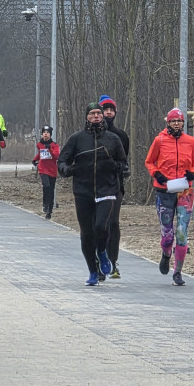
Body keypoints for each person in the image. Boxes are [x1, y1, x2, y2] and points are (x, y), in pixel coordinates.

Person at [58, 102, 128, 286]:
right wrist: (68, 169)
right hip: (83, 190)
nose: (96, 116)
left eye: (99, 113)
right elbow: (62, 161)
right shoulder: (77, 139)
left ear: (103, 116)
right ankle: (92, 271)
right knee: (87, 234)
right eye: (92, 114)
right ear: (87, 117)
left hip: (107, 189)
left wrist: (113, 166)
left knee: (101, 227)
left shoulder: (113, 139)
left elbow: (124, 165)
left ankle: (103, 252)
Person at [144, 108, 194, 287]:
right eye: (173, 121)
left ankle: (178, 272)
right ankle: (166, 253)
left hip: (184, 191)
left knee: (182, 232)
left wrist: (193, 173)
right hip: (164, 190)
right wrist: (157, 174)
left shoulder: (190, 142)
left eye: (179, 121)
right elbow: (149, 161)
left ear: (183, 123)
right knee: (168, 234)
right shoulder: (159, 140)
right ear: (168, 122)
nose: (177, 124)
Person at [99, 95, 130, 278]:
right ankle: (98, 261)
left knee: (113, 224)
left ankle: (112, 261)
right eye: (105, 109)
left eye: (111, 109)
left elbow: (124, 160)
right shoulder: (91, 135)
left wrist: (122, 172)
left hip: (115, 185)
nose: (108, 112)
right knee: (98, 225)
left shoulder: (122, 136)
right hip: (95, 186)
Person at [31, 125, 59, 219]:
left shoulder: (54, 145)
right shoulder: (39, 144)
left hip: (52, 170)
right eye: (44, 133)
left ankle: (49, 211)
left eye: (47, 133)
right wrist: (35, 159)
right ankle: (45, 204)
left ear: (50, 135)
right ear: (42, 134)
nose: (45, 134)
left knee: (51, 190)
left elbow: (56, 156)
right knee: (46, 186)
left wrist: (50, 148)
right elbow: (41, 153)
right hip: (43, 169)